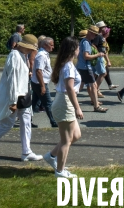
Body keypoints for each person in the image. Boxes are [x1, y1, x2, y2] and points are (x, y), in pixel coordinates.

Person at [0, 34, 42, 163]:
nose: (31, 51)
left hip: (23, 95)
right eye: (30, 49)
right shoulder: (15, 56)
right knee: (7, 124)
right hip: (15, 96)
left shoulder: (23, 55)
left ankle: (26, 152)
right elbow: (12, 80)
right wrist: (13, 101)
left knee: (26, 122)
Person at [44, 36, 83, 178]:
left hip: (64, 102)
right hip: (65, 103)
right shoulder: (68, 66)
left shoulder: (67, 64)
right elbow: (70, 88)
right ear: (74, 49)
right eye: (78, 47)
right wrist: (77, 107)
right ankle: (60, 171)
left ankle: (51, 156)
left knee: (76, 135)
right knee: (66, 140)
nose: (79, 50)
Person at [75, 25, 107, 112]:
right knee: (92, 85)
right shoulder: (86, 42)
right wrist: (98, 54)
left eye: (96, 35)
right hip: (85, 67)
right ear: (89, 32)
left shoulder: (86, 41)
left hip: (83, 66)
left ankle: (69, 100)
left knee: (82, 85)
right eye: (94, 34)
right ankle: (96, 106)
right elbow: (86, 56)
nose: (95, 36)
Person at [32, 37, 58, 127]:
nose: (53, 47)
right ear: (45, 45)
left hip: (38, 82)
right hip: (39, 83)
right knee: (48, 103)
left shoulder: (44, 54)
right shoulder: (41, 55)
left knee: (34, 103)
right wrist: (42, 86)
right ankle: (54, 122)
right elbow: (39, 71)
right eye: (51, 45)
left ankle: (26, 120)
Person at [92, 22, 113, 96]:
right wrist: (98, 53)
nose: (105, 28)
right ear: (100, 28)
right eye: (104, 27)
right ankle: (95, 89)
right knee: (103, 73)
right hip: (99, 57)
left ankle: (95, 89)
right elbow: (94, 45)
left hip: (101, 56)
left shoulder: (101, 36)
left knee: (98, 73)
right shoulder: (98, 36)